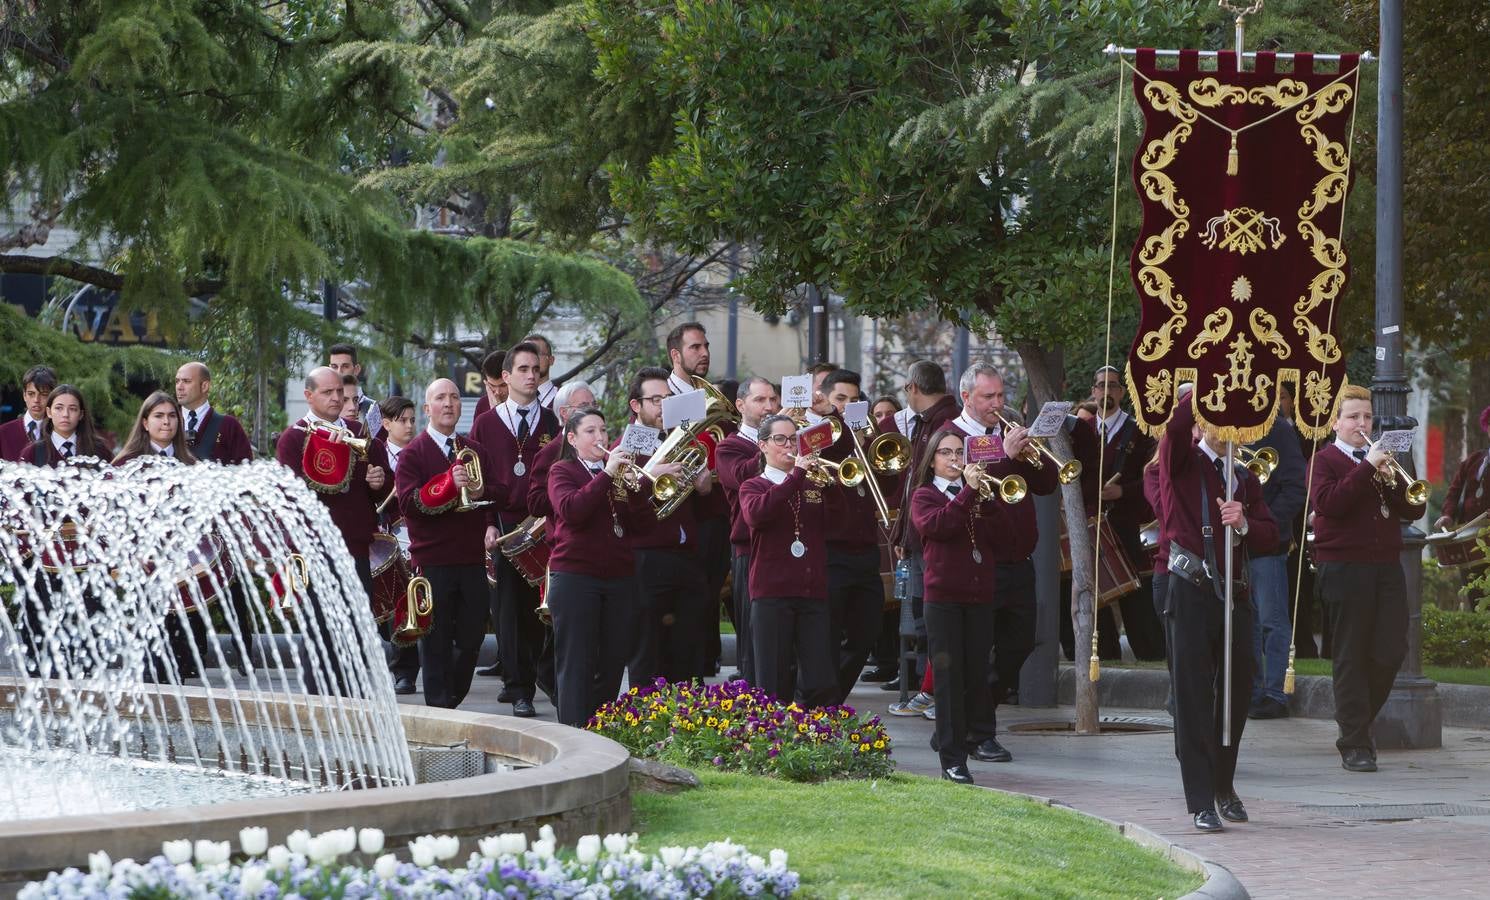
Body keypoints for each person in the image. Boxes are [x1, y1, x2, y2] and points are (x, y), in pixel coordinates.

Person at [1157, 389, 1277, 831]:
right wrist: (1207, 384)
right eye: (1220, 419)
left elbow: (1269, 535)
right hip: (1191, 590)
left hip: (1236, 594)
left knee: (1238, 691)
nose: (1229, 430)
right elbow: (1172, 429)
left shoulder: (1244, 476)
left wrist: (1243, 522)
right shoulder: (1183, 461)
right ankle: (1201, 799)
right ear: (1203, 423)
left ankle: (1225, 785)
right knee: (1191, 695)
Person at [1309, 384, 1427, 773]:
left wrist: (1398, 472)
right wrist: (1367, 466)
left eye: (1367, 417)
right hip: (1343, 567)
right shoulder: (1324, 460)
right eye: (1354, 417)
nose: (1363, 424)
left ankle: (1358, 724)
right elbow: (1330, 504)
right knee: (1350, 655)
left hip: (1385, 565)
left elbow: (1415, 507)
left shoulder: (1380, 460)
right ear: (1336, 422)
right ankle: (1355, 741)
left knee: (1392, 649)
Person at [945, 363, 1056, 759]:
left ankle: (968, 718)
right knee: (977, 648)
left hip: (1018, 558)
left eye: (1000, 395)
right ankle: (977, 732)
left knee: (1020, 643)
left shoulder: (1004, 435)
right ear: (967, 398)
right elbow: (973, 490)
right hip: (979, 561)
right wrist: (1008, 459)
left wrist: (1033, 452)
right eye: (988, 397)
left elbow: (1045, 485)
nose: (997, 404)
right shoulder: (953, 440)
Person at [275, 367, 393, 695]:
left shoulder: (360, 432)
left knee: (358, 626)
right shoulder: (293, 438)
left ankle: (353, 699)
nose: (336, 398)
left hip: (356, 545)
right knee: (321, 631)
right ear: (309, 396)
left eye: (339, 392)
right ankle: (322, 704)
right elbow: (291, 495)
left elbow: (384, 490)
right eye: (327, 393)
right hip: (315, 548)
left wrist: (378, 481)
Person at [910, 428, 1016, 784]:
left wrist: (988, 501)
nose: (954, 459)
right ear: (933, 460)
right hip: (943, 601)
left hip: (979, 597)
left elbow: (1005, 540)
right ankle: (952, 760)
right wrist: (969, 492)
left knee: (976, 676)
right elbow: (939, 527)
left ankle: (952, 736)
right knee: (948, 679)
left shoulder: (978, 495)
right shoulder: (924, 496)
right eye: (946, 453)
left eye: (959, 452)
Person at [395, 378, 499, 709]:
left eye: (454, 397)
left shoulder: (476, 451)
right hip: (433, 560)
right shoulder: (413, 453)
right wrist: (447, 484)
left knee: (472, 639)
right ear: (427, 409)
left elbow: (499, 491)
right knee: (435, 639)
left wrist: (482, 491)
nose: (449, 403)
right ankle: (440, 706)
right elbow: (408, 503)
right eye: (441, 398)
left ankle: (451, 696)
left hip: (470, 558)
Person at [470, 341, 559, 716]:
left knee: (539, 608)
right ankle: (517, 686)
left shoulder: (553, 422)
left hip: (540, 525)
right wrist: (488, 523)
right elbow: (480, 481)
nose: (531, 375)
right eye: (522, 369)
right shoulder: (486, 424)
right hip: (504, 525)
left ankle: (540, 673)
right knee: (507, 610)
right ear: (505, 377)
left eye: (535, 369)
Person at [546, 407, 644, 726]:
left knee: (613, 659)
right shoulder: (562, 471)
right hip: (575, 576)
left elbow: (638, 523)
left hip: (617, 576)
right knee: (576, 660)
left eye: (603, 430)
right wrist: (606, 475)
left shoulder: (612, 474)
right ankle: (574, 731)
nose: (600, 437)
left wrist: (634, 488)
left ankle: (599, 725)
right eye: (591, 431)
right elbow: (572, 510)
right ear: (572, 438)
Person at [624, 366, 713, 683]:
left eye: (668, 398)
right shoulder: (629, 443)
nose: (664, 406)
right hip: (647, 557)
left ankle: (689, 719)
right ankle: (643, 719)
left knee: (689, 645)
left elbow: (703, 507)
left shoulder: (680, 439)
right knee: (648, 647)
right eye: (655, 399)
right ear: (637, 405)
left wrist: (703, 487)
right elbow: (623, 497)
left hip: (686, 555)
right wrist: (652, 472)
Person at [739, 414, 833, 707]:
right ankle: (773, 739)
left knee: (820, 678)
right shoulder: (753, 486)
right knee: (773, 678)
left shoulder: (812, 484)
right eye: (781, 439)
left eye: (793, 439)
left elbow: (840, 522)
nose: (788, 445)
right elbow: (758, 515)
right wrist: (796, 477)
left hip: (811, 589)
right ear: (763, 445)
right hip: (771, 591)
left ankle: (807, 731)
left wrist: (835, 485)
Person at [879, 360, 960, 698]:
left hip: (932, 537)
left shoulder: (942, 422)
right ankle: (926, 684)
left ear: (913, 387)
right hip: (920, 534)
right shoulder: (931, 420)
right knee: (922, 614)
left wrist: (907, 534)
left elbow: (921, 486)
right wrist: (901, 534)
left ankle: (932, 689)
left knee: (930, 617)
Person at [112, 392, 205, 680]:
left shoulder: (189, 465)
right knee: (149, 644)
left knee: (179, 647)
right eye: (159, 416)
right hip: (142, 566)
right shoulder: (125, 465)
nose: (167, 422)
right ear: (144, 422)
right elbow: (111, 518)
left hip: (180, 567)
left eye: (172, 416)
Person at [818, 368, 895, 703]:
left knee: (866, 633)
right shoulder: (819, 437)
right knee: (828, 634)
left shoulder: (865, 436)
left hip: (864, 551)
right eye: (840, 400)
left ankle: (831, 698)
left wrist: (875, 453)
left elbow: (889, 486)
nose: (847, 407)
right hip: (829, 550)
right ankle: (820, 704)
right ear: (824, 400)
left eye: (853, 400)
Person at [665, 322, 731, 675]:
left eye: (706, 346)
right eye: (695, 347)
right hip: (675, 518)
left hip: (710, 514)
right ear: (676, 355)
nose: (704, 353)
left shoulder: (709, 394)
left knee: (707, 597)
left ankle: (704, 667)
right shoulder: (659, 396)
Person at [1087, 365, 1166, 661]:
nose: (1106, 391)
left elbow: (1152, 475)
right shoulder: (1082, 431)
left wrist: (1123, 492)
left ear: (1121, 392)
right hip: (1092, 522)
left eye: (1113, 385)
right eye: (1100, 385)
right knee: (1096, 592)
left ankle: (1149, 650)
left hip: (1126, 522)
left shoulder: (1140, 431)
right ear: (1093, 391)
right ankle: (1104, 653)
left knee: (1135, 588)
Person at [716, 376, 780, 685]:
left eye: (773, 399)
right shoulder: (729, 447)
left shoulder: (788, 440)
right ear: (740, 405)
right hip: (749, 549)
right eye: (760, 400)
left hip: (786, 547)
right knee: (753, 635)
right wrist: (775, 444)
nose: (769, 406)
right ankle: (754, 705)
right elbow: (740, 476)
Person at [1246, 414, 1307, 719]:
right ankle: (1252, 692)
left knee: (1271, 620)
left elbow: (1296, 487)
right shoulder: (1222, 422)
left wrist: (1262, 523)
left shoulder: (1278, 429)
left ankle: (1275, 693)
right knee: (1247, 623)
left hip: (1267, 543)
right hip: (1230, 543)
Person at [377, 395, 421, 695]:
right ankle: (393, 664)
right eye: (401, 420)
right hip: (384, 539)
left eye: (412, 420)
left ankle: (407, 669)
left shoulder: (421, 453)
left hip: (415, 537)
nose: (408, 426)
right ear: (386, 423)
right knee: (388, 605)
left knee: (412, 603)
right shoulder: (375, 454)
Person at [524, 380, 598, 520]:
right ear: (564, 412)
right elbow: (535, 504)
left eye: (594, 404)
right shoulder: (549, 452)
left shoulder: (601, 444)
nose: (592, 410)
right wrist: (567, 490)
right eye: (583, 406)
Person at [174, 362, 253, 463]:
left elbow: (246, 470)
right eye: (177, 381)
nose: (179, 387)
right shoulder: (166, 423)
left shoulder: (229, 426)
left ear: (204, 386)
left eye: (186, 381)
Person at [22, 385, 112, 464]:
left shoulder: (99, 450)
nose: (65, 414)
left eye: (72, 409)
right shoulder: (33, 452)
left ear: (81, 414)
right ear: (49, 412)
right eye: (59, 408)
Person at [1, 365, 57, 461]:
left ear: (53, 397)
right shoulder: (3, 433)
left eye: (44, 394)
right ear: (24, 395)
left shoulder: (60, 432)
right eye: (31, 394)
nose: (36, 400)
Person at [328, 343, 381, 437]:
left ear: (356, 369)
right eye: (334, 367)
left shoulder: (373, 409)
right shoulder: (324, 406)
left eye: (345, 366)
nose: (339, 372)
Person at [471, 349, 511, 420]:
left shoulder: (525, 402)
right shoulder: (482, 404)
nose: (498, 392)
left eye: (503, 385)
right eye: (492, 386)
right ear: (486, 383)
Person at [523, 333, 559, 409]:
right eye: (525, 354)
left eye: (536, 353)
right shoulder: (511, 399)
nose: (531, 359)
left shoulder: (563, 399)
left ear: (551, 360)